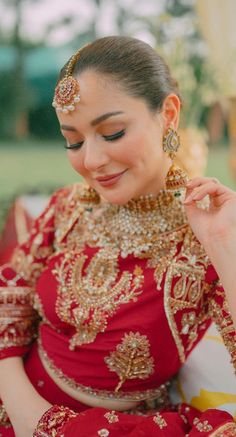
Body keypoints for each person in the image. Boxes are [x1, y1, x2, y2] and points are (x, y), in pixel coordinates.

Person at [0, 36, 235, 437]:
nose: (90, 161)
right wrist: (25, 411)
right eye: (72, 141)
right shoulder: (67, 207)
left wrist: (222, 244)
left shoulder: (205, 234)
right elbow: (11, 302)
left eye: (111, 133)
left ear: (168, 115)